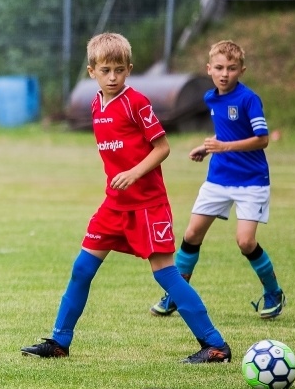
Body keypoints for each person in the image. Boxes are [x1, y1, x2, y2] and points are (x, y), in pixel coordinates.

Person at [21, 32, 231, 363]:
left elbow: (162, 147)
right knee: (82, 268)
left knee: (165, 273)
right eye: (105, 70)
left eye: (119, 70)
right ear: (92, 72)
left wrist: (135, 172)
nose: (113, 77)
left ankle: (214, 343)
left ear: (129, 69)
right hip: (114, 205)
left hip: (147, 205)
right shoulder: (95, 105)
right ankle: (60, 340)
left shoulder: (136, 103)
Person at [150, 40, 285, 319]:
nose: (225, 74)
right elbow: (227, 133)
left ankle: (273, 292)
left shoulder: (249, 99)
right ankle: (177, 294)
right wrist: (209, 148)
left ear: (241, 70)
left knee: (246, 242)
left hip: (251, 181)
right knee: (191, 235)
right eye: (220, 68)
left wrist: (224, 147)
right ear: (209, 69)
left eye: (232, 68)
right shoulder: (211, 98)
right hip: (219, 178)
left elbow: (261, 140)